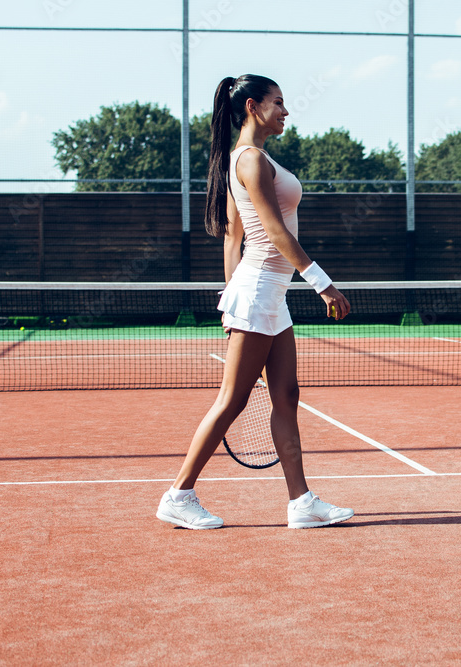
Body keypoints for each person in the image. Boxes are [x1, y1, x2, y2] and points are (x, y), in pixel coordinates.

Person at [156, 74, 354, 530]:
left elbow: (232, 235)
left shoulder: (253, 159)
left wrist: (229, 295)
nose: (285, 111)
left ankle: (301, 502)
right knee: (233, 399)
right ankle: (179, 494)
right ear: (252, 106)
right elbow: (274, 232)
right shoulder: (248, 161)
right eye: (278, 103)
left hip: (269, 294)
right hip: (262, 289)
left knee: (286, 395)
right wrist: (323, 283)